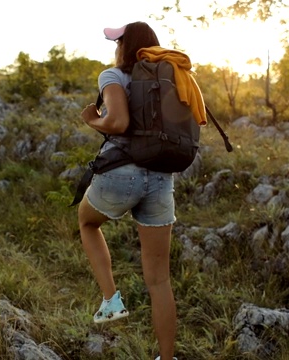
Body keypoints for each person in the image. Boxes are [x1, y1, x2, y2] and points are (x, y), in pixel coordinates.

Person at [78, 21, 188, 360]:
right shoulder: (171, 77)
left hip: (120, 174)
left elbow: (118, 123)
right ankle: (166, 359)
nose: (115, 48)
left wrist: (92, 119)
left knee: (87, 222)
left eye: (117, 42)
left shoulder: (112, 76)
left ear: (124, 47)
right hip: (161, 177)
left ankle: (111, 300)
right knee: (159, 280)